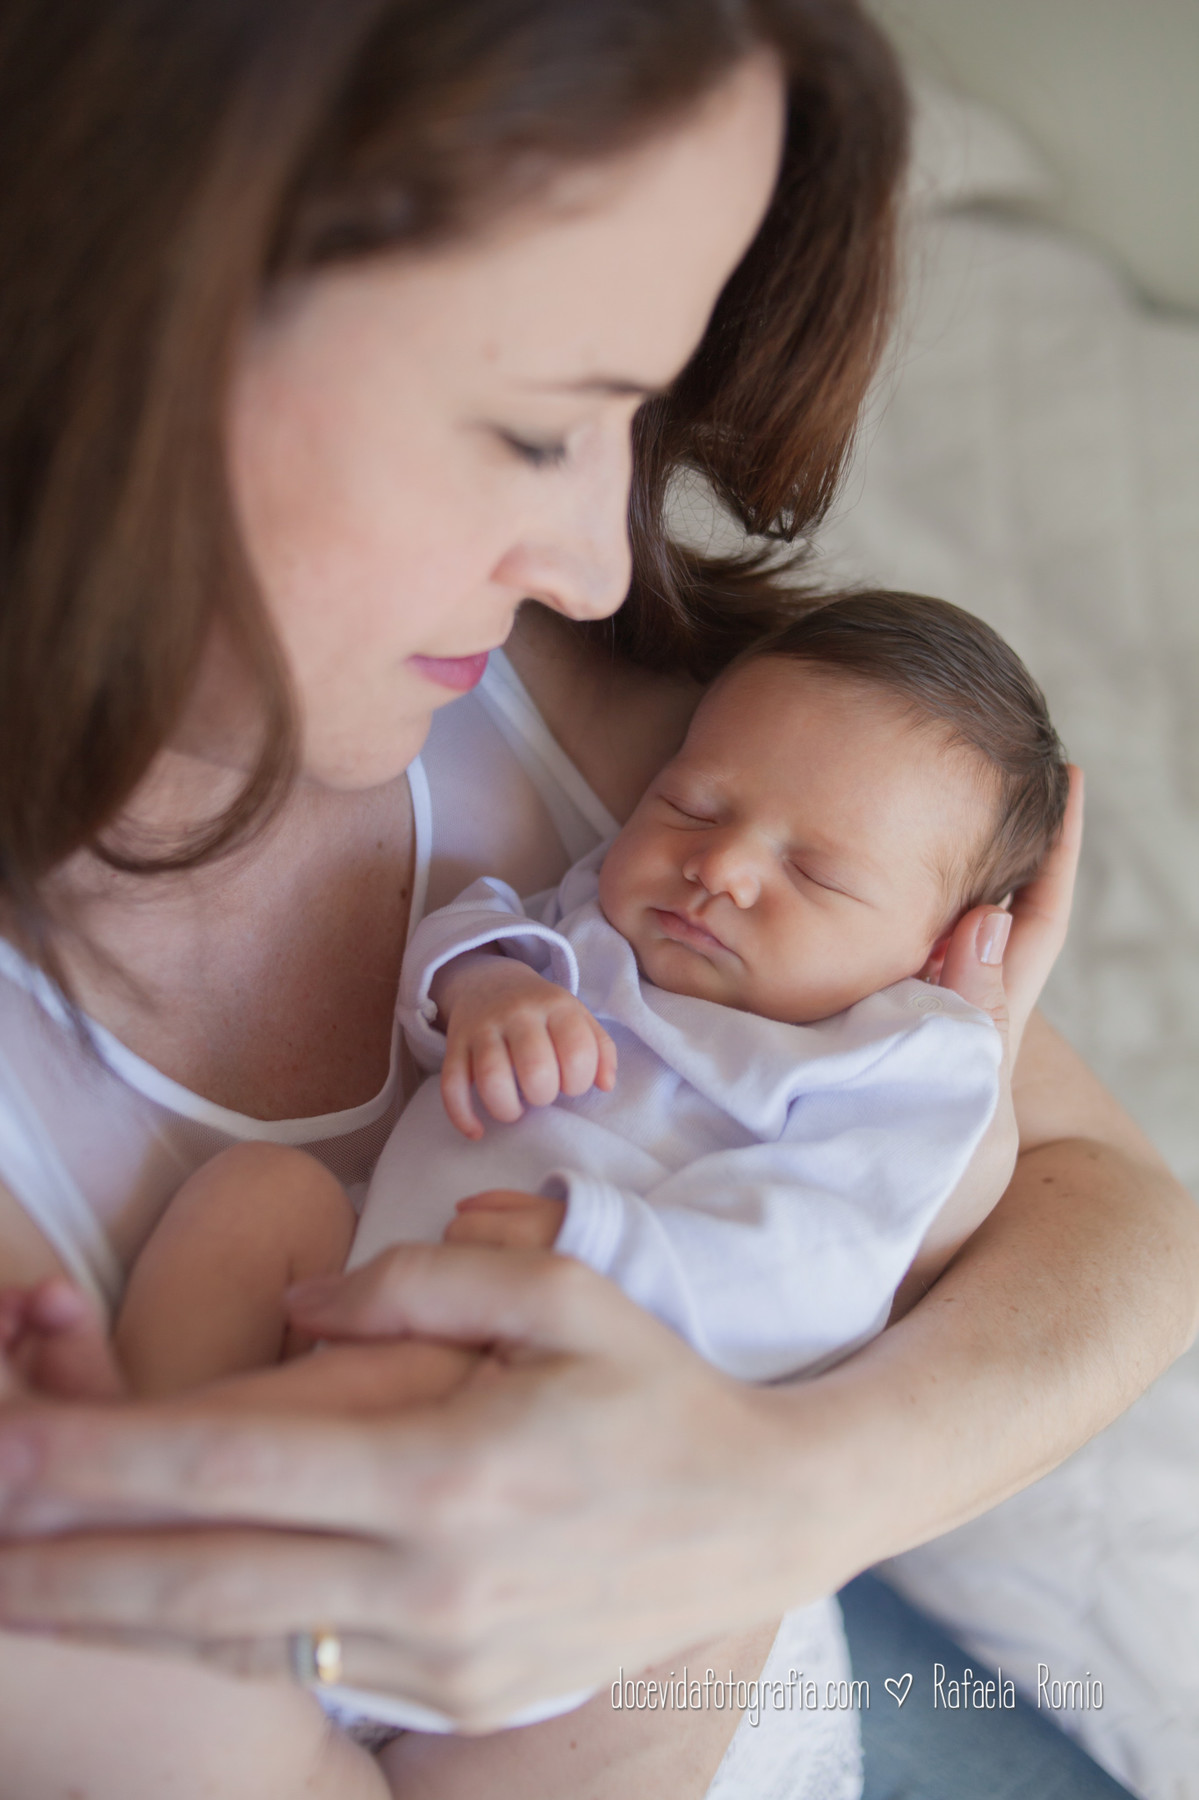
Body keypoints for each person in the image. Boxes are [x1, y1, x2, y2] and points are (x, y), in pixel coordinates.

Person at [0, 5, 1193, 1799]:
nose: (592, 553)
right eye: (532, 424)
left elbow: (1121, 1218)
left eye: (636, 413)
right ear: (123, 309)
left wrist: (762, 1505)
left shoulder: (590, 713)